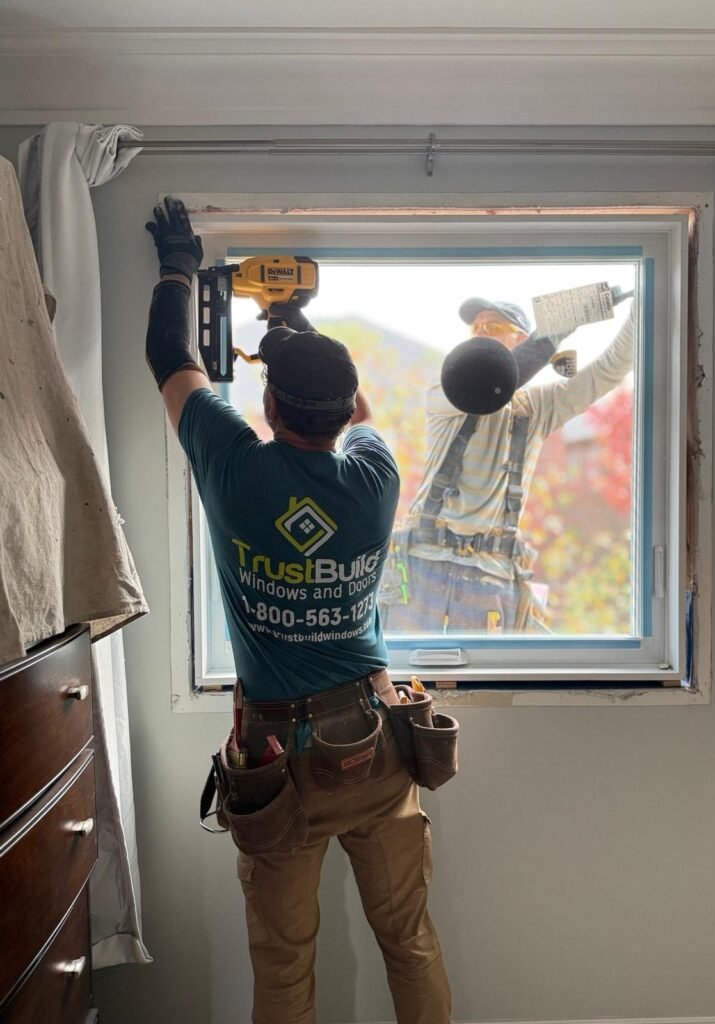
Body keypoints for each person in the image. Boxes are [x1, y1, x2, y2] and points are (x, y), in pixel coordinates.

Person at [145, 197, 452, 1024]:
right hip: (376, 743)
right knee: (410, 939)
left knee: (284, 966)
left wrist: (179, 261)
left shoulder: (233, 468)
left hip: (275, 757)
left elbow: (170, 357)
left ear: (270, 409)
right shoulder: (375, 477)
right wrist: (297, 331)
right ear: (344, 409)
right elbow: (358, 420)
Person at [380, 294, 634, 634]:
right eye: (476, 327)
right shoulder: (445, 389)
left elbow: (607, 371)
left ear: (521, 340)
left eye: (494, 326)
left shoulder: (540, 406)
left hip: (490, 576)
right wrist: (552, 334)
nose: (481, 332)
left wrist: (642, 310)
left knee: (482, 683)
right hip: (424, 563)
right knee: (407, 678)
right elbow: (488, 380)